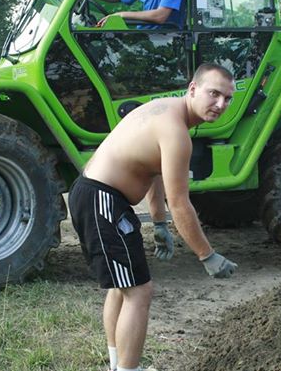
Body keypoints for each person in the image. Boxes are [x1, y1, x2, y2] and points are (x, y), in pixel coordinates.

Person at [68, 63, 238, 371]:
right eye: (214, 94)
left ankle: (119, 365)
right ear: (193, 89)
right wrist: (207, 255)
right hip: (101, 199)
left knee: (122, 289)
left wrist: (159, 222)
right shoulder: (176, 132)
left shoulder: (165, 111)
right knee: (139, 292)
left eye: (228, 98)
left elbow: (155, 173)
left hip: (100, 197)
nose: (221, 104)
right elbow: (181, 202)